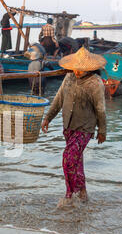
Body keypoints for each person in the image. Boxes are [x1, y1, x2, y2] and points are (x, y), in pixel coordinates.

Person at [41, 47, 107, 208]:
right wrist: (47, 118)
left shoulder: (95, 83)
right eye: (76, 68)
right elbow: (58, 100)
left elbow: (100, 109)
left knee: (68, 159)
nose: (77, 72)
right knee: (76, 162)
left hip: (85, 127)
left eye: (81, 69)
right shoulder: (69, 78)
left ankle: (69, 194)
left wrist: (102, 131)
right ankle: (83, 192)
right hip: (68, 125)